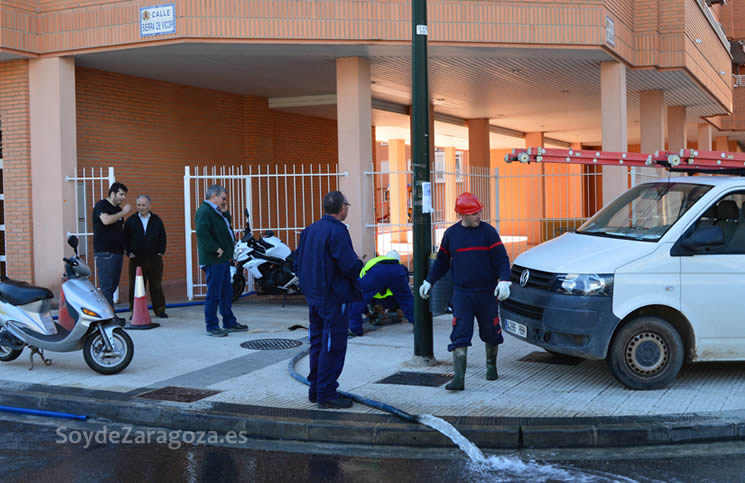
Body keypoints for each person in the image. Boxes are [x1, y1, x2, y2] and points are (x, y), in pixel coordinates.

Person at [419, 192, 511, 391]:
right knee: (459, 333)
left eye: (479, 212)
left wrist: (504, 280)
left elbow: (501, 259)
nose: (478, 216)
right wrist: (429, 281)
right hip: (462, 293)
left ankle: (491, 366)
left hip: (486, 292)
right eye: (473, 213)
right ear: (462, 215)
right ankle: (459, 378)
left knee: (491, 332)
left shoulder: (489, 233)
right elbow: (442, 262)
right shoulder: (451, 235)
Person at [295, 191, 363, 409]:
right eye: (347, 206)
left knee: (317, 343)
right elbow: (348, 265)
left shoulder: (309, 230)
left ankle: (316, 389)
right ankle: (326, 393)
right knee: (333, 345)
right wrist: (359, 266)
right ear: (342, 208)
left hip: (315, 296)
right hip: (334, 297)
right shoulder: (338, 232)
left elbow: (299, 262)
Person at [195, 184, 248, 337]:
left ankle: (229, 322)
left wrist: (226, 214)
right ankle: (211, 326)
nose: (224, 201)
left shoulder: (216, 211)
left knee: (226, 292)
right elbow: (202, 233)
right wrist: (215, 248)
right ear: (214, 196)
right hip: (214, 259)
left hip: (223, 259)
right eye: (223, 198)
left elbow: (226, 228)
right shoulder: (204, 211)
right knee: (214, 294)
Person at [348, 250, 414, 337]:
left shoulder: (373, 264)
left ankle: (354, 329)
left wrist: (367, 313)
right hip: (394, 277)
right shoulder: (400, 268)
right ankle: (418, 324)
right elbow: (405, 294)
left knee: (357, 297)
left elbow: (359, 296)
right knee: (406, 298)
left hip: (377, 277)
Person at [92, 182, 132, 323]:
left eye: (124, 195)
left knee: (112, 286)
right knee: (107, 287)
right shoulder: (102, 205)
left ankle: (110, 315)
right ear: (113, 193)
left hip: (117, 253)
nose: (123, 198)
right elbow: (106, 220)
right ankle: (108, 318)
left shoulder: (118, 209)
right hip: (105, 253)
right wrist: (123, 213)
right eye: (121, 194)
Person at [124, 195, 168, 319]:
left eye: (143, 205)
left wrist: (160, 251)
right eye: (138, 205)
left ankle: (159, 310)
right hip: (136, 259)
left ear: (149, 205)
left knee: (156, 285)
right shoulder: (131, 220)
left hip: (154, 258)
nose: (141, 207)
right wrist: (129, 253)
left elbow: (162, 237)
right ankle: (134, 311)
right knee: (135, 286)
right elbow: (125, 238)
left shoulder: (156, 220)